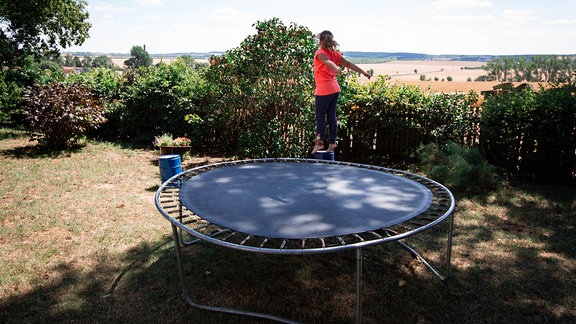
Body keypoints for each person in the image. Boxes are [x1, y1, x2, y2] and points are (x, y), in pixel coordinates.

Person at [312, 30, 371, 154]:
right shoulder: (335, 54)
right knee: (332, 116)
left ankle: (319, 143)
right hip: (334, 89)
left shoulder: (320, 52)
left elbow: (327, 62)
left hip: (324, 90)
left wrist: (335, 67)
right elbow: (348, 64)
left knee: (320, 118)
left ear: (321, 41)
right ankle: (332, 143)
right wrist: (364, 72)